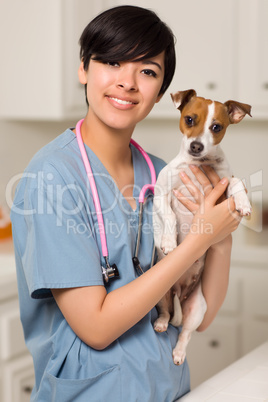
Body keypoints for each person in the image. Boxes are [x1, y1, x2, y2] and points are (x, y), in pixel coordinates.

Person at [10, 5, 240, 401]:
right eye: (112, 62)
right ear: (83, 69)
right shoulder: (51, 178)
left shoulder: (162, 173)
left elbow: (204, 317)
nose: (128, 82)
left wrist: (220, 233)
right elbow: (96, 328)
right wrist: (201, 236)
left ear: (162, 92)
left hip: (165, 388)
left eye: (147, 71)